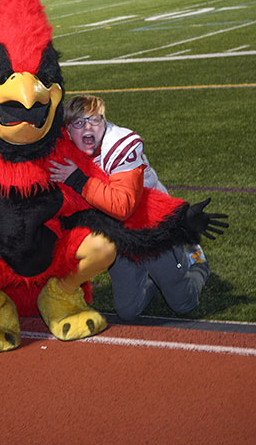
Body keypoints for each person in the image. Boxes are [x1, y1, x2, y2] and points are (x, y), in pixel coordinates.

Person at [49, 95, 217, 320]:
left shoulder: (120, 144)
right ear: (68, 132)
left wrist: (78, 180)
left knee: (183, 303)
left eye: (94, 120)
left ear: (105, 121)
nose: (88, 127)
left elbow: (123, 206)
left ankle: (195, 260)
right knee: (128, 310)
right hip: (121, 234)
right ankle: (157, 278)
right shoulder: (67, 150)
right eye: (79, 123)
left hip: (154, 227)